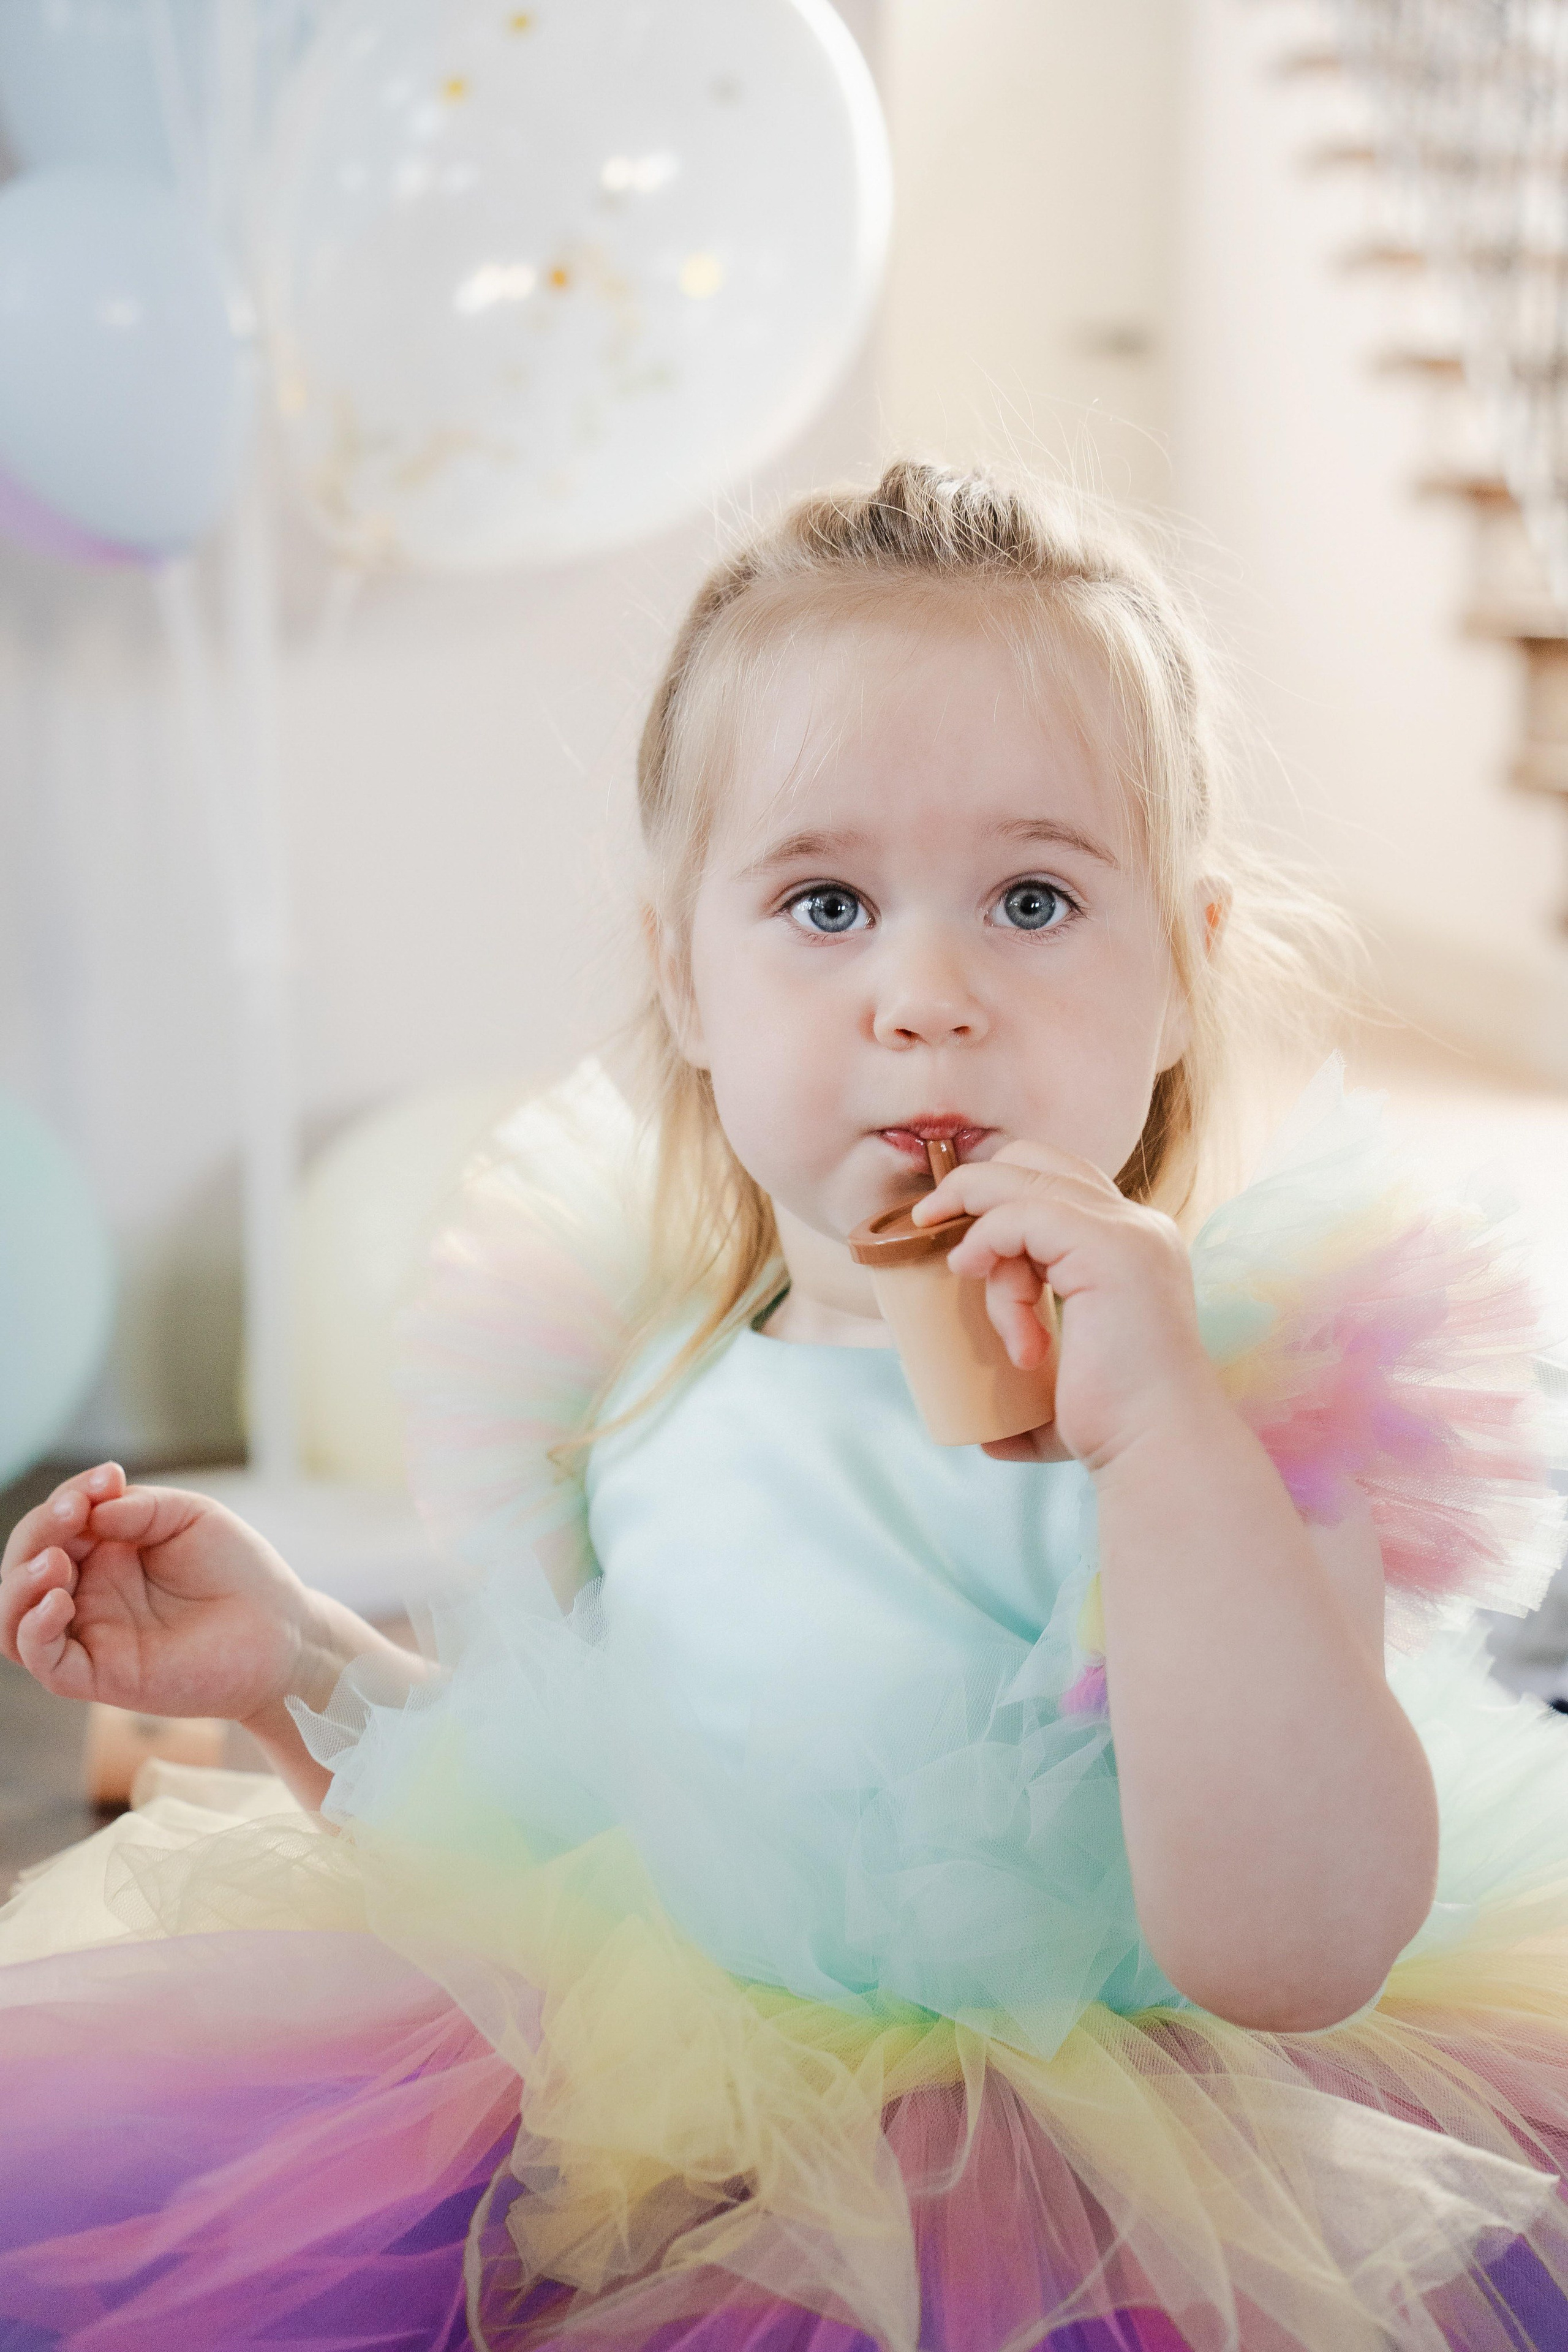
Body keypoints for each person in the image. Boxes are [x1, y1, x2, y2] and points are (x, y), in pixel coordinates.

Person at [1, 461, 1566, 2352]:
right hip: (656, 2161)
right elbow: (559, 1837)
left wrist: (1162, 1442)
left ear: (1181, 976)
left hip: (1100, 2220)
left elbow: (1297, 1945)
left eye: (1034, 897)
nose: (925, 992)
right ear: (684, 972)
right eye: (826, 902)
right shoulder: (637, 1374)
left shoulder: (1234, 1413)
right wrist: (294, 1668)